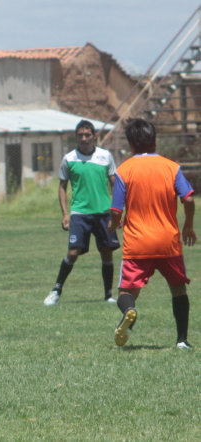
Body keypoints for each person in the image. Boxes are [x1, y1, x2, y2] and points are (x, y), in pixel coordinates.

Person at [109, 118, 196, 349]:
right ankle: (182, 341)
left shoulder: (124, 170)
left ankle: (129, 311)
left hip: (138, 243)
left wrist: (113, 224)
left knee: (126, 292)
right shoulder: (171, 167)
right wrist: (188, 226)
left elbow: (116, 210)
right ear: (154, 140)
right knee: (178, 289)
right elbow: (188, 198)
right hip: (168, 242)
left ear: (132, 144)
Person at [44, 119, 120, 306]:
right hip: (79, 213)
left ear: (94, 136)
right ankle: (56, 289)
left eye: (87, 135)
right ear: (76, 137)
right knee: (73, 252)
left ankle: (108, 295)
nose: (84, 138)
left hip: (103, 212)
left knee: (106, 252)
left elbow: (115, 183)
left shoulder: (105, 156)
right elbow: (62, 186)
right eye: (80, 135)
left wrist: (118, 211)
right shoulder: (69, 158)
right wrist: (65, 213)